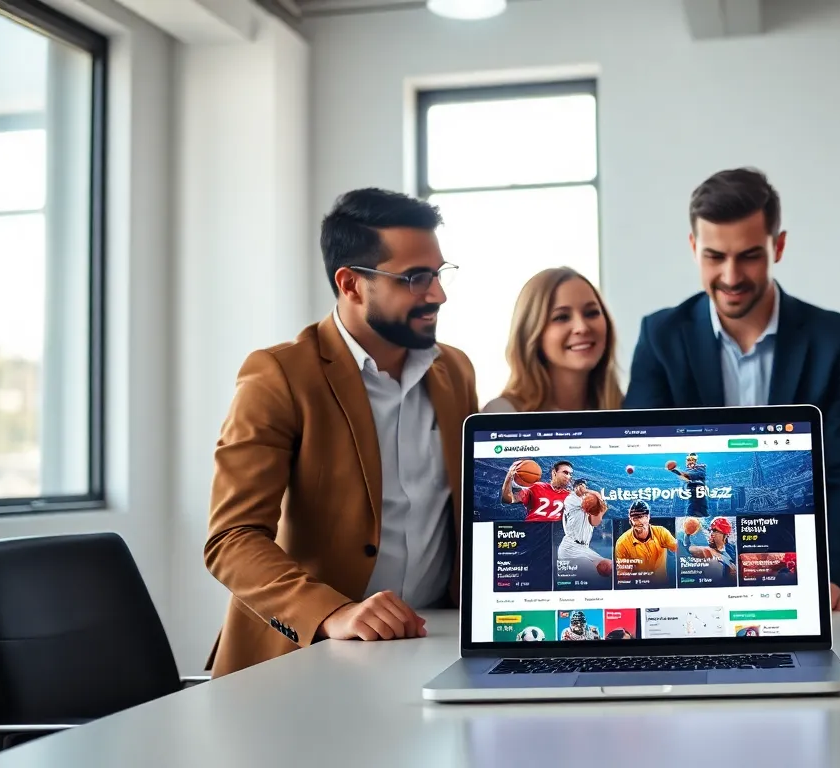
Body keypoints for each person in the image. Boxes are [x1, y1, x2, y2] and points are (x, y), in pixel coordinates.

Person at [204, 188, 477, 676]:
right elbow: (232, 538)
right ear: (351, 284)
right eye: (415, 278)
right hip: (306, 658)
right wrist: (333, 612)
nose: (438, 294)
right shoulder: (280, 375)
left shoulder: (455, 372)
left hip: (433, 644)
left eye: (437, 273)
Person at [624, 168, 840, 608]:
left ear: (778, 246)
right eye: (713, 256)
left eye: (749, 255)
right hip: (692, 561)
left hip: (796, 570)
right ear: (693, 248)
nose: (730, 275)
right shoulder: (660, 336)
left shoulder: (835, 340)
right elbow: (642, 460)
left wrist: (834, 577)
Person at [483, 266, 623, 413]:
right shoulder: (502, 414)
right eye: (561, 317)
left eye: (591, 313)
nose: (581, 327)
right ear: (531, 332)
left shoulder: (627, 409)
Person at [557, 478, 610, 572]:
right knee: (599, 570)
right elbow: (596, 500)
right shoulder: (571, 499)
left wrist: (600, 509)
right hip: (570, 547)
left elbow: (596, 521)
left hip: (582, 547)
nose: (582, 488)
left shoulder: (588, 504)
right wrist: (588, 491)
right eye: (580, 486)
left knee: (607, 567)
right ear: (574, 488)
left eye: (584, 486)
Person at [501, 459, 573, 522]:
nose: (569, 476)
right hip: (533, 530)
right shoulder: (536, 487)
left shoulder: (570, 496)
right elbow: (509, 499)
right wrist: (509, 477)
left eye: (570, 474)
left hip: (554, 533)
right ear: (554, 473)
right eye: (565, 472)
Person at [668, 452, 709, 517]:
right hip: (692, 503)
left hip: (700, 505)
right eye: (688, 460)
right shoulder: (689, 471)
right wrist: (674, 470)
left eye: (693, 460)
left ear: (696, 461)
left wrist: (675, 470)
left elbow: (688, 476)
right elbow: (685, 477)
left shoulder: (701, 468)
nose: (690, 462)